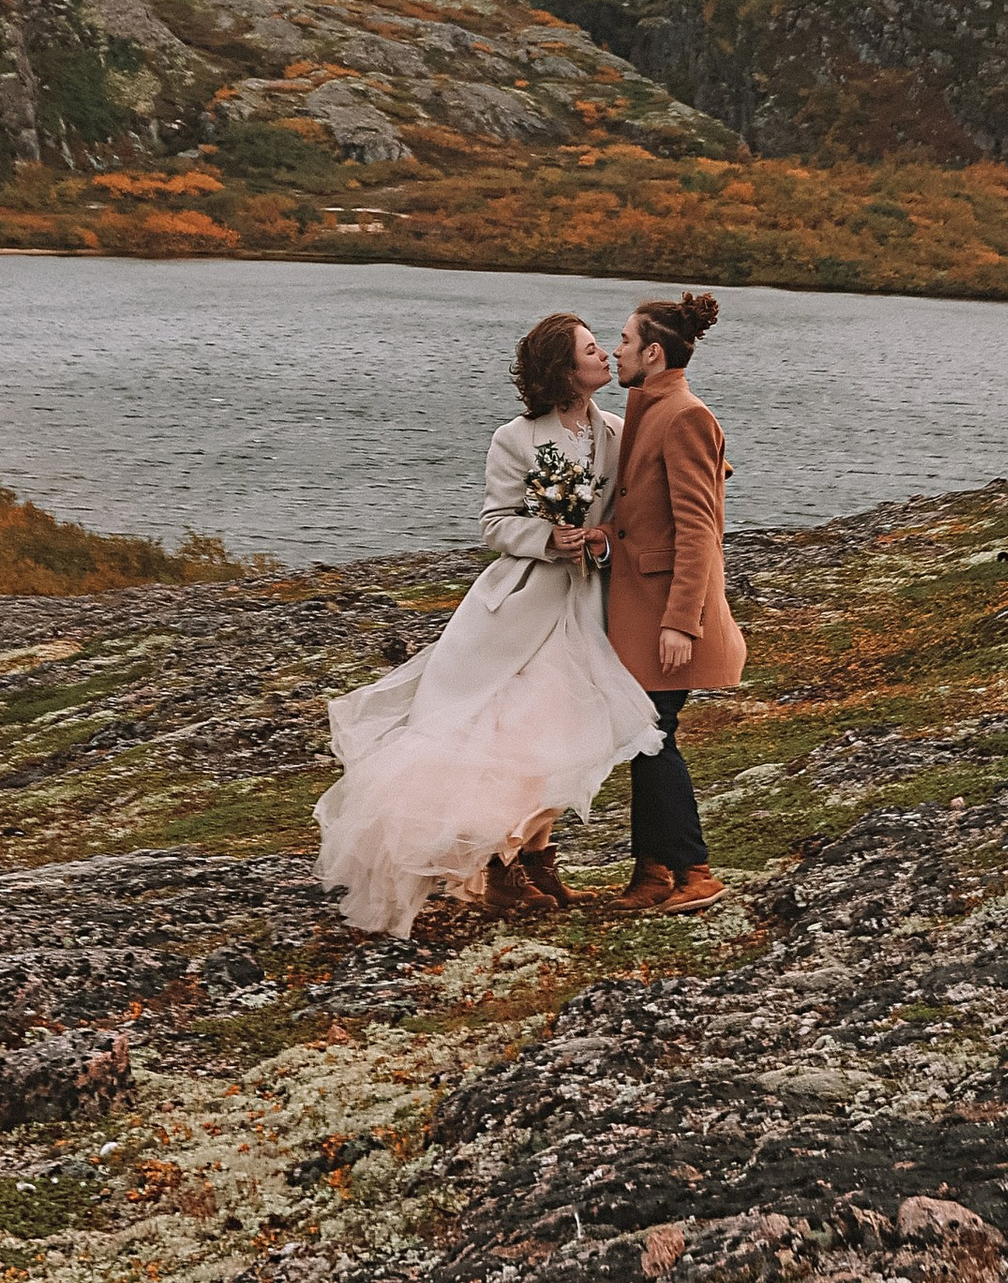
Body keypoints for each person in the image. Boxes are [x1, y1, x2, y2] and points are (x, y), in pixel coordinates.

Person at [313, 310, 665, 939]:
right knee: (511, 732)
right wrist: (548, 537)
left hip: (588, 607)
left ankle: (537, 858)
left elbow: (645, 489)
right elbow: (495, 523)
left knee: (566, 731)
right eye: (593, 348)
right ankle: (503, 867)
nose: (607, 356)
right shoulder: (516, 438)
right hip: (521, 605)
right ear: (565, 368)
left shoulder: (617, 430)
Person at [602, 290, 747, 914]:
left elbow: (699, 529)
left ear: (653, 353)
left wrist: (682, 622)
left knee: (652, 734)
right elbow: (642, 508)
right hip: (637, 604)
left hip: (668, 611)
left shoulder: (687, 414)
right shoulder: (645, 403)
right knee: (644, 735)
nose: (615, 351)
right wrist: (601, 536)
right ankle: (652, 872)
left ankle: (696, 870)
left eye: (626, 342)